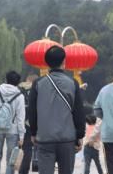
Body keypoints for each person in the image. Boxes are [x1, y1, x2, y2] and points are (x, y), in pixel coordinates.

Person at [29, 45, 86, 174]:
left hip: (45, 138)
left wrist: (33, 132)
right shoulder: (72, 83)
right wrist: (80, 135)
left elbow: (32, 111)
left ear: (47, 63)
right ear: (64, 61)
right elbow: (79, 112)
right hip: (67, 139)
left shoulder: (38, 83)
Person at [0, 71, 26, 174]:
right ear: (18, 82)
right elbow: (20, 118)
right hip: (13, 131)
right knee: (11, 158)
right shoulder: (20, 96)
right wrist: (22, 136)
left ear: (6, 79)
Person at [18, 74, 38, 174]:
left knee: (26, 148)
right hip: (35, 122)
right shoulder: (38, 89)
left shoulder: (21, 89)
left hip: (24, 122)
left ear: (28, 79)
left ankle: (23, 170)